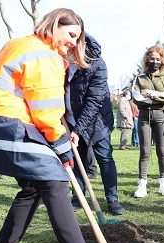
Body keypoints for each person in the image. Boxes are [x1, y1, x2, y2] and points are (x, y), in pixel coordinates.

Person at [0, 8, 114, 243]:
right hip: (12, 125)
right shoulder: (44, 55)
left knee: (32, 186)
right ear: (55, 24)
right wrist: (61, 146)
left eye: (78, 39)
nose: (73, 42)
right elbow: (46, 112)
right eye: (71, 34)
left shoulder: (21, 43)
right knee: (54, 181)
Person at [66, 33, 125, 216]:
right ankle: (78, 199)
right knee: (77, 160)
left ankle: (112, 199)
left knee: (105, 159)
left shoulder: (97, 64)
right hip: (70, 119)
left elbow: (94, 101)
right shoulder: (60, 60)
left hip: (97, 122)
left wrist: (78, 129)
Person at [131, 45, 164, 198]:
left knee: (162, 151)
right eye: (151, 59)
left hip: (162, 117)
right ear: (147, 60)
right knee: (145, 151)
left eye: (157, 59)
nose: (154, 62)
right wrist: (157, 99)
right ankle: (142, 183)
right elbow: (136, 97)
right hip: (144, 117)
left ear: (162, 61)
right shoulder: (139, 78)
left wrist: (150, 94)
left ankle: (163, 182)